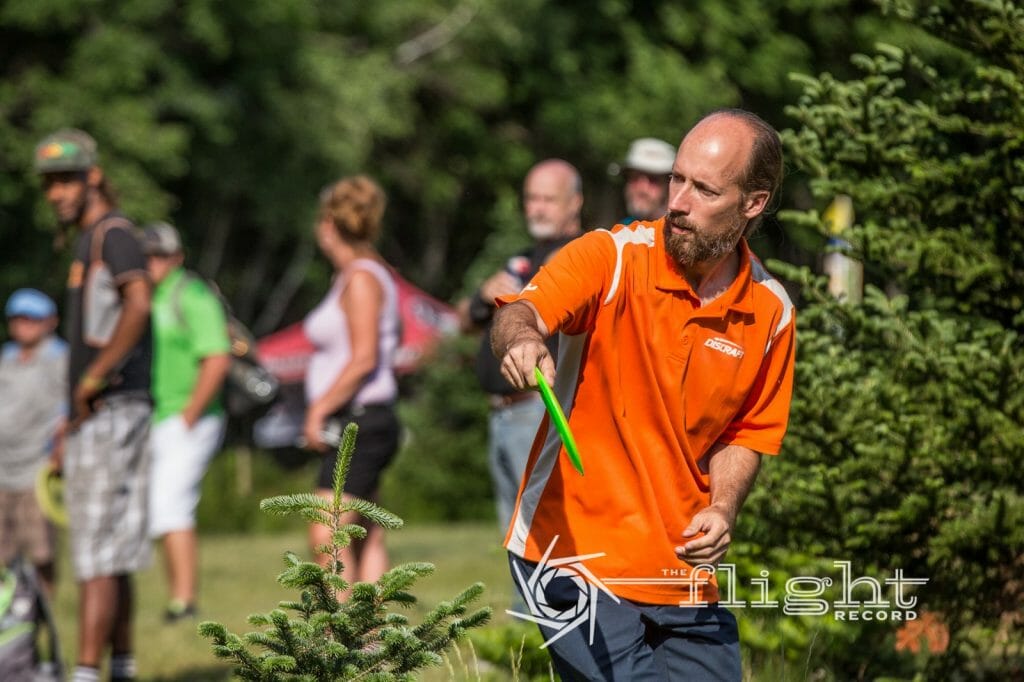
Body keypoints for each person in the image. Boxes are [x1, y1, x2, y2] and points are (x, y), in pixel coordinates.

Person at [491, 109, 795, 681]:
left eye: (703, 189)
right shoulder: (611, 257)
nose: (677, 200)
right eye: (677, 179)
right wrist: (525, 339)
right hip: (569, 553)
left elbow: (749, 432)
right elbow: (523, 310)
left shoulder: (772, 312)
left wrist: (723, 506)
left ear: (753, 203)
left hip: (681, 571)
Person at [35, 128, 152, 682]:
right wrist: (69, 416)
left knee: (96, 553)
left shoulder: (114, 234)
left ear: (94, 177)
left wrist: (96, 377)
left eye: (66, 180)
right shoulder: (88, 241)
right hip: (95, 417)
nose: (57, 193)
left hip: (114, 409)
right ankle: (122, 666)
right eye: (49, 185)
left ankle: (84, 673)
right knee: (116, 550)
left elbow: (139, 303)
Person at [458, 159, 583, 535]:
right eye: (531, 199)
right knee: (514, 537)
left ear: (574, 203)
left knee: (543, 536)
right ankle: (523, 597)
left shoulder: (576, 254)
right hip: (502, 414)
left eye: (549, 199)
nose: (538, 208)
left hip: (539, 410)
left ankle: (539, 598)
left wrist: (509, 296)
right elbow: (462, 319)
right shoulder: (522, 259)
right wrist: (482, 298)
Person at [303, 175, 401, 585]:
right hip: (362, 419)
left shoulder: (361, 279)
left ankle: (338, 643)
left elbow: (363, 359)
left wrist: (318, 410)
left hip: (358, 421)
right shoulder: (362, 274)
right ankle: (375, 638)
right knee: (367, 535)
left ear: (328, 224)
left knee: (327, 536)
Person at [141, 222, 231, 623]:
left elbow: (216, 357)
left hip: (189, 418)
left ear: (176, 257)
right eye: (146, 255)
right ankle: (177, 597)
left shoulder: (190, 294)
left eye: (159, 255)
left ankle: (184, 601)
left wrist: (189, 415)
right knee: (160, 511)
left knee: (170, 507)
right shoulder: (147, 296)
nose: (152, 262)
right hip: (157, 417)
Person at [0, 288, 68, 599]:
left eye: (32, 319)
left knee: (42, 553)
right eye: (18, 318)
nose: (23, 325)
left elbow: (71, 408)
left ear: (49, 322)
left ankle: (44, 614)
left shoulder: (60, 357)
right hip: (3, 469)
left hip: (37, 470)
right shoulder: (7, 358)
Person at [610, 137, 676, 223]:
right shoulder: (622, 230)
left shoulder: (681, 233)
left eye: (653, 179)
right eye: (634, 178)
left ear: (669, 185)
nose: (641, 188)